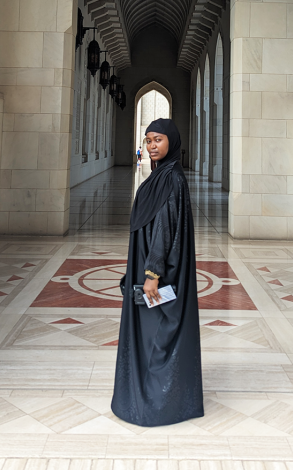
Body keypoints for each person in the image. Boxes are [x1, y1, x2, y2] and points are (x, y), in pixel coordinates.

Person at [111, 118, 203, 427]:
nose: (151, 145)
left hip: (157, 270)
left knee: (154, 333)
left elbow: (165, 228)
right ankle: (151, 396)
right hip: (150, 261)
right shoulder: (164, 175)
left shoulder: (169, 179)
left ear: (172, 143)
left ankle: (154, 402)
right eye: (148, 139)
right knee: (151, 332)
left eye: (158, 140)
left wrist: (153, 273)